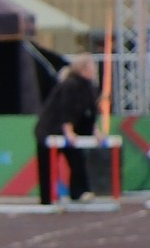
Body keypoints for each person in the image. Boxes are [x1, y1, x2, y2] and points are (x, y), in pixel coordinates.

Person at [33, 53, 100, 205]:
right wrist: (68, 130)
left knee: (78, 160)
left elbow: (89, 112)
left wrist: (95, 130)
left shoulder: (89, 86)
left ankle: (79, 193)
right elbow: (66, 109)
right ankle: (47, 198)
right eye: (92, 66)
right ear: (83, 68)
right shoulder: (70, 84)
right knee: (48, 164)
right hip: (50, 128)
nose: (95, 69)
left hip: (72, 129)